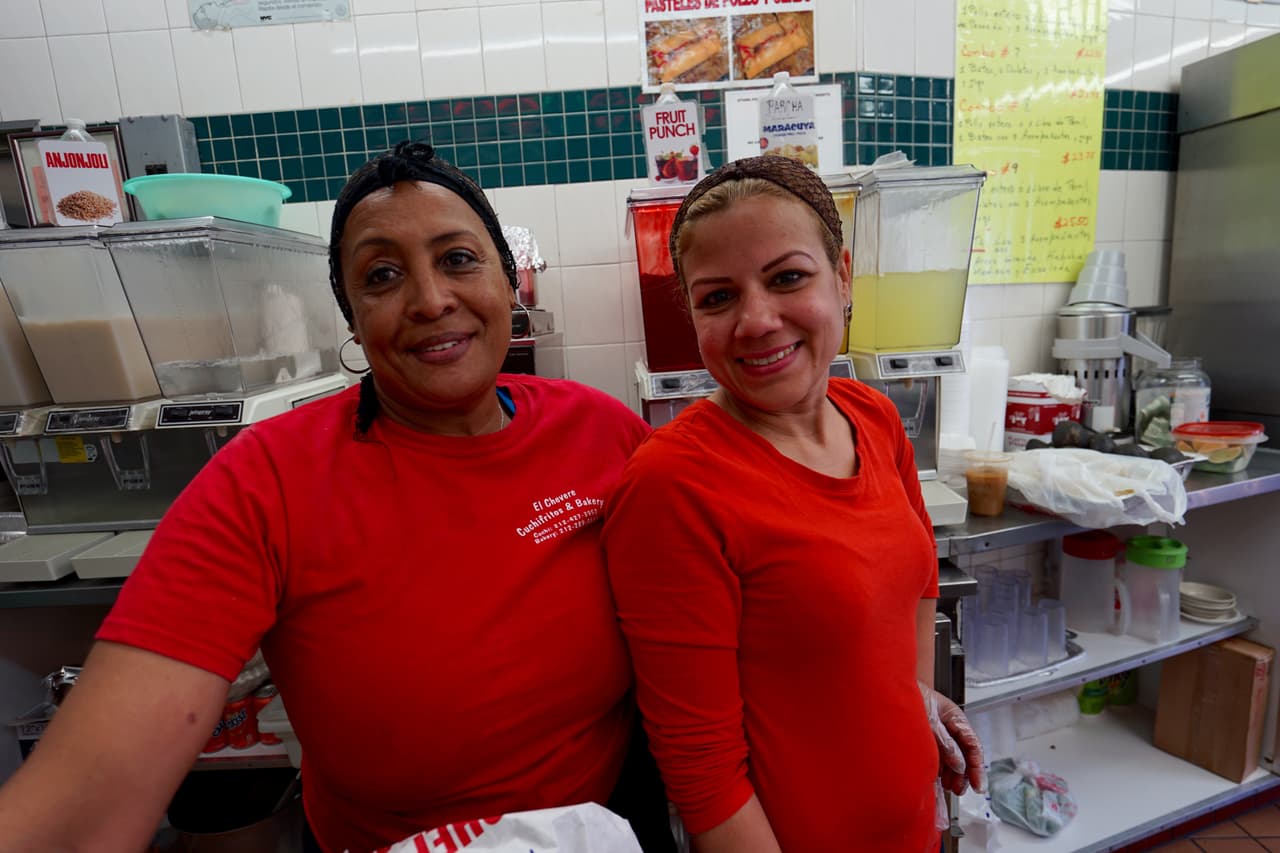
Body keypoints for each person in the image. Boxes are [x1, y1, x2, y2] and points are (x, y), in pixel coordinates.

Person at [0, 141, 673, 853]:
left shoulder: (601, 432)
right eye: (382, 275)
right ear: (351, 319)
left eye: (458, 259)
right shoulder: (266, 480)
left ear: (509, 282)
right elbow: (91, 789)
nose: (431, 299)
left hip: (609, 824)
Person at [601, 155, 984, 852]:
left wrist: (918, 702)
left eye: (787, 278)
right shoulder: (672, 486)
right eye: (717, 297)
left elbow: (919, 582)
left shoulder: (874, 417)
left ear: (841, 278)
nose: (756, 320)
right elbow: (704, 773)